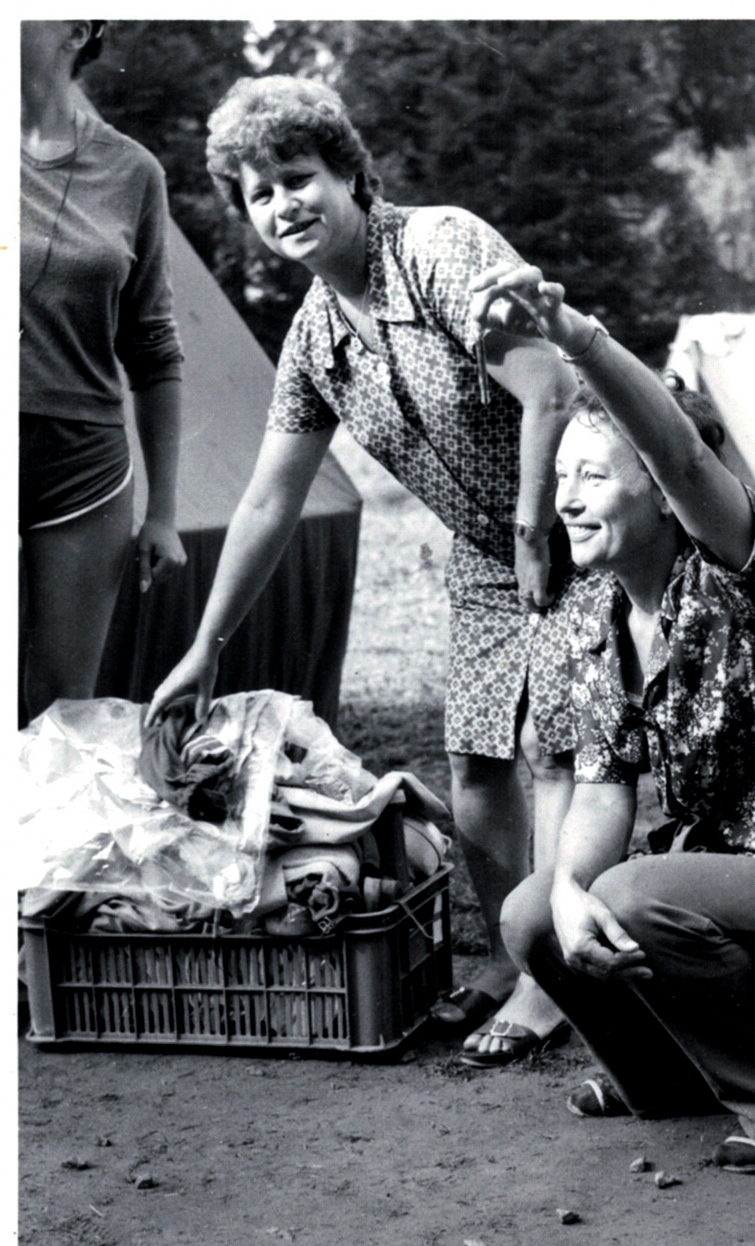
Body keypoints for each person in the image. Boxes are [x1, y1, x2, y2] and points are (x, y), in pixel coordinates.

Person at [146, 75, 577, 1065]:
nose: (283, 205)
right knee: (477, 760)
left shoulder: (437, 247)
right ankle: (514, 957)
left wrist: (533, 529)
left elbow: (551, 388)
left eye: (297, 177)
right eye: (259, 193)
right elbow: (268, 500)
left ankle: (555, 981)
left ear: (347, 172)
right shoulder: (314, 335)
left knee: (556, 747)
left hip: (589, 520)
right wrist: (207, 645)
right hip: (488, 549)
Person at [469, 262, 755, 1172]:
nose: (566, 500)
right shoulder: (596, 621)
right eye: (560, 475)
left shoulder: (743, 583)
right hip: (718, 899)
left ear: (657, 492)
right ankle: (671, 1076)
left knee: (627, 897)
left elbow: (684, 457)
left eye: (592, 475)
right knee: (534, 914)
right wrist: (564, 892)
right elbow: (602, 787)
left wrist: (576, 338)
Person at [20, 20, 187, 726]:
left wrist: (164, 514)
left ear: (79, 28)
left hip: (83, 470)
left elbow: (153, 348)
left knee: (64, 714)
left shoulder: (133, 171)